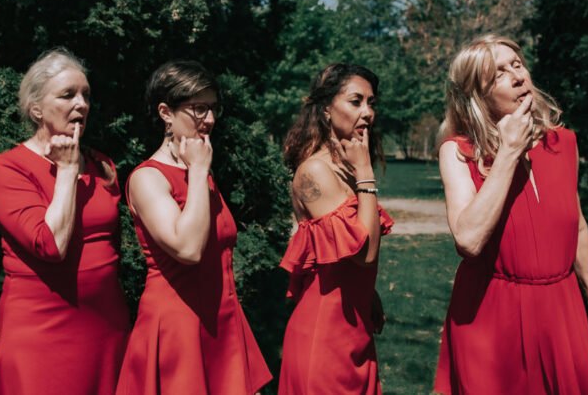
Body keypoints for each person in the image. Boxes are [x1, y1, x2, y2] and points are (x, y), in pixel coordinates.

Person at [433, 34, 588, 394]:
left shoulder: (563, 143)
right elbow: (469, 241)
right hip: (490, 315)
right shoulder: (458, 153)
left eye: (517, 64)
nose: (518, 76)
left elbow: (577, 228)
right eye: (499, 74)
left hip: (560, 309)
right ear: (478, 95)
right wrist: (507, 152)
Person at [115, 60, 271, 395]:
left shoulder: (199, 170)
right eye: (198, 109)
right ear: (165, 113)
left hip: (222, 320)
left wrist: (199, 171)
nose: (210, 120)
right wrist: (199, 172)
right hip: (178, 329)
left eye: (213, 108)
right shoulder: (148, 178)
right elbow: (187, 248)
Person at [0, 49, 130, 395]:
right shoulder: (9, 167)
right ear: (36, 109)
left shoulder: (102, 165)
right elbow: (49, 245)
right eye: (67, 95)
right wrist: (66, 170)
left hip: (106, 329)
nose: (81, 104)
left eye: (86, 95)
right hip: (41, 332)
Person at [278, 63, 394, 394]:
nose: (368, 113)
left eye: (372, 103)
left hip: (355, 329)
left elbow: (338, 256)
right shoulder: (315, 172)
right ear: (327, 109)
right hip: (324, 339)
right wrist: (365, 173)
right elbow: (365, 252)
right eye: (356, 101)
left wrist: (365, 292)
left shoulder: (344, 168)